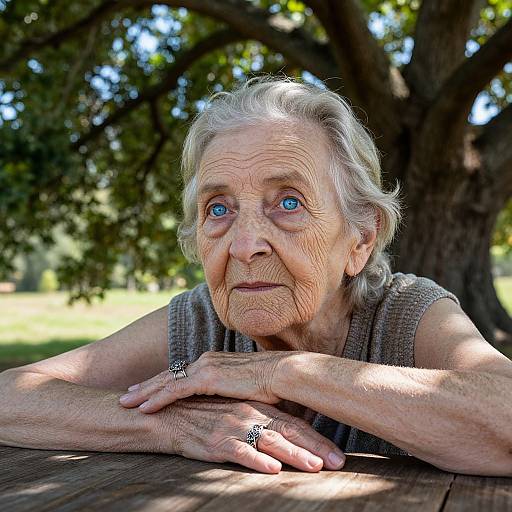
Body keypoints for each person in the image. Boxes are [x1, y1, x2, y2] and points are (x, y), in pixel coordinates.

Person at [1, 76, 511, 477]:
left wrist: (283, 372)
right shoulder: (200, 323)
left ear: (360, 238)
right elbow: (12, 397)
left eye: (288, 202)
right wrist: (179, 425)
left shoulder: (406, 315)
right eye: (218, 208)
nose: (244, 246)